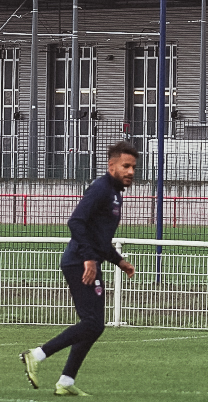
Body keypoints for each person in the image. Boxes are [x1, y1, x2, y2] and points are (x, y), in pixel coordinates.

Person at [21, 140, 138, 396]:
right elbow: (76, 222)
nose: (130, 171)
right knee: (92, 323)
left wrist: (119, 261)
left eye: (133, 167)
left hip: (87, 261)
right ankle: (36, 355)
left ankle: (66, 381)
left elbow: (99, 238)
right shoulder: (101, 189)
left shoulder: (114, 192)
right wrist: (88, 259)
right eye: (125, 166)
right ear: (111, 166)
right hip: (78, 262)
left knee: (95, 325)